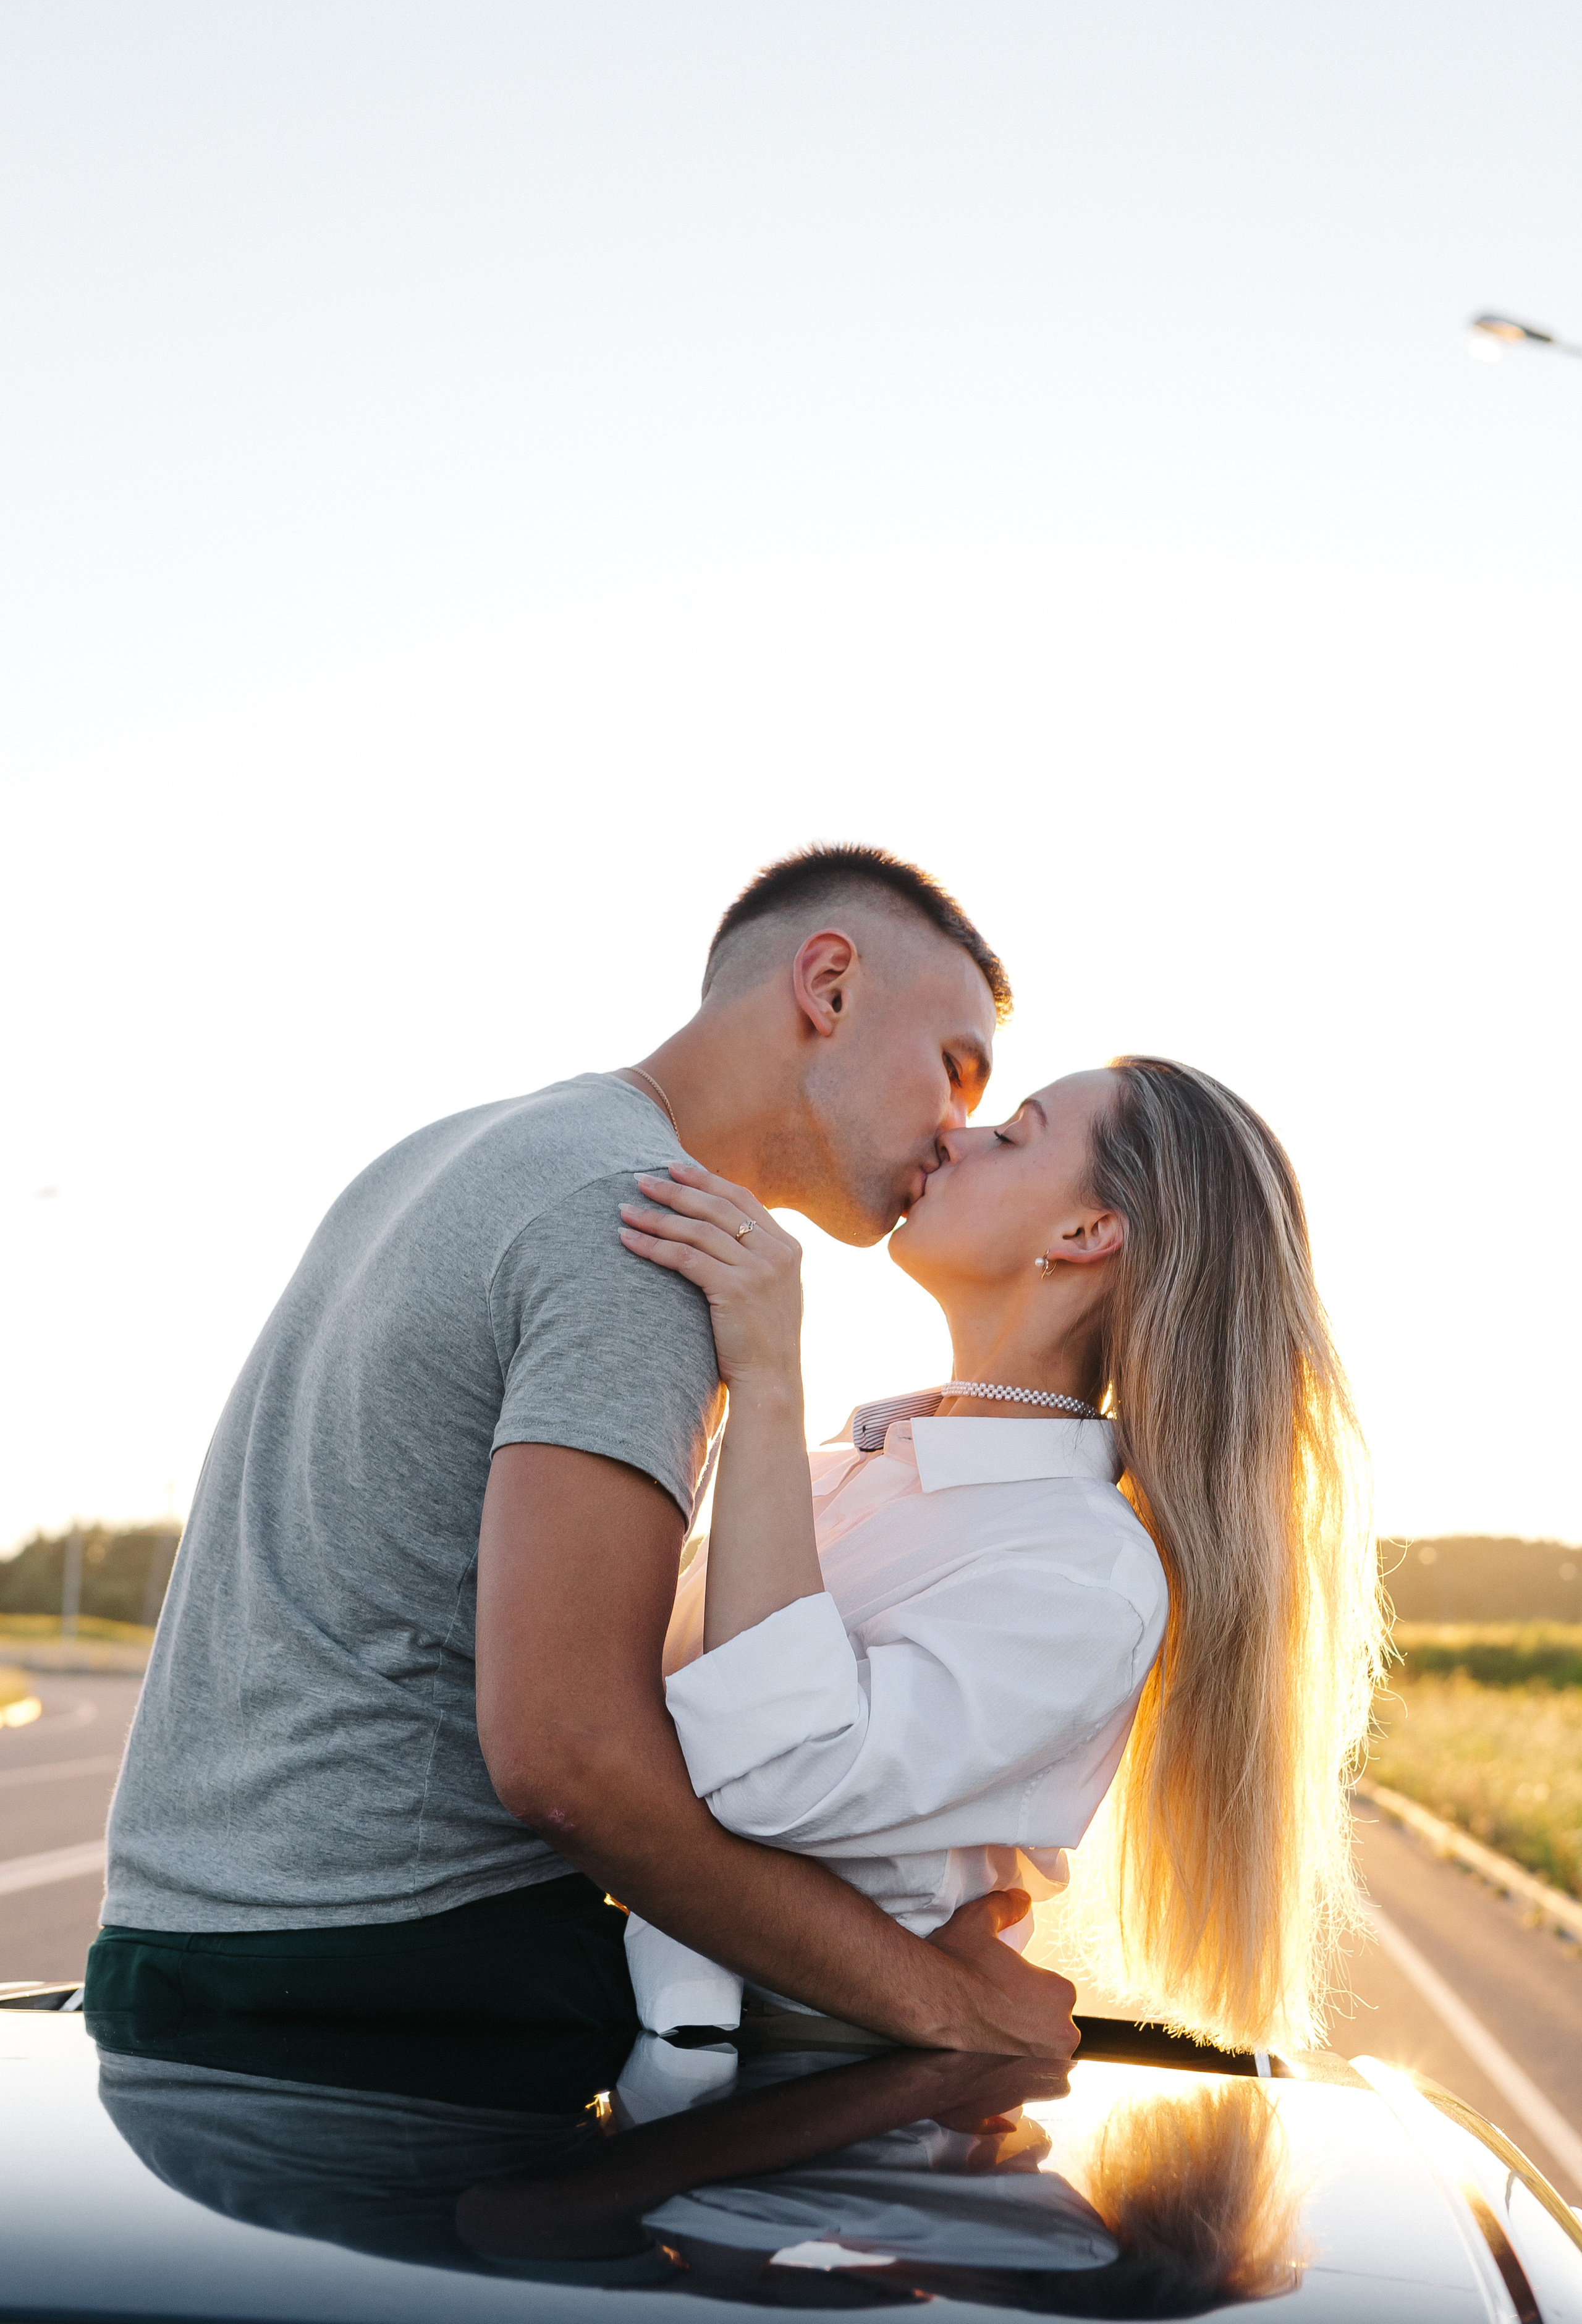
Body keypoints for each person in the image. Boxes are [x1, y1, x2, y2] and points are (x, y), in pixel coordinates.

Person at [88, 843, 1080, 2064]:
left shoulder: (455, 1151)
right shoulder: (641, 1233)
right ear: (828, 986)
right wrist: (949, 2006)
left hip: (167, 1951)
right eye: (956, 1069)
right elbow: (570, 1763)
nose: (954, 1131)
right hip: (397, 1976)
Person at [617, 1055, 1382, 2055]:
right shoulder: (835, 1471)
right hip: (643, 2076)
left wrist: (767, 1375)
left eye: (1014, 1134)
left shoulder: (1086, 1573)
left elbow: (774, 1776)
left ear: (1086, 1233)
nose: (953, 1136)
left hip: (828, 2115)